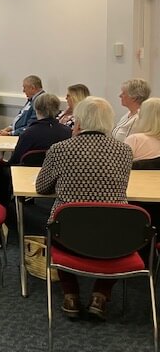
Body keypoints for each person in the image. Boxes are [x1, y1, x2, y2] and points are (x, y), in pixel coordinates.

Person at [36, 96, 132, 320]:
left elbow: (42, 187)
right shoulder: (124, 152)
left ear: (78, 121)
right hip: (114, 233)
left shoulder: (60, 149)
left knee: (56, 227)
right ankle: (100, 293)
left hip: (68, 232)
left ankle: (70, 295)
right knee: (118, 239)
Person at [8, 93, 72, 165]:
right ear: (57, 109)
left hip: (28, 172)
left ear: (36, 109)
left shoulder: (29, 133)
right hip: (57, 173)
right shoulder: (67, 132)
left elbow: (15, 160)